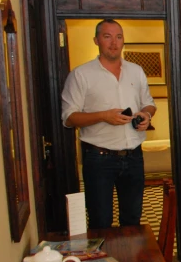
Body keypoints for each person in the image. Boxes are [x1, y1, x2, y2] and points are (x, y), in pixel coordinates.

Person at [61, 19, 157, 229]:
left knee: (132, 221)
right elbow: (68, 118)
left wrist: (147, 115)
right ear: (96, 40)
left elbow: (149, 104)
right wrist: (103, 116)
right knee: (101, 221)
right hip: (99, 159)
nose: (114, 43)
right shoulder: (81, 75)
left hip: (134, 156)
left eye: (119, 37)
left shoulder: (136, 71)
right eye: (107, 36)